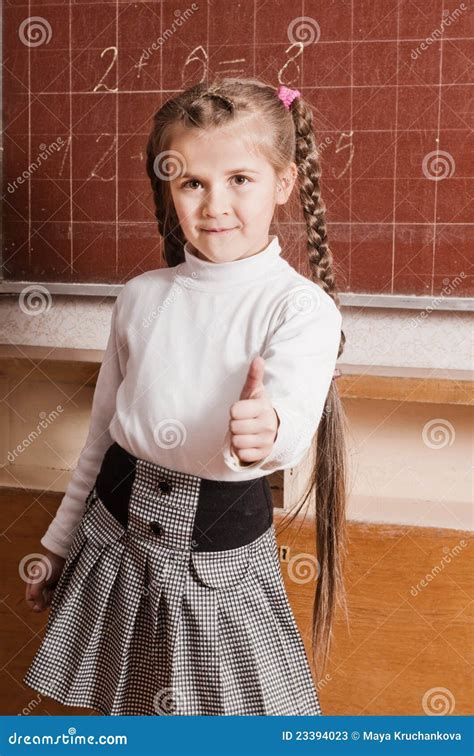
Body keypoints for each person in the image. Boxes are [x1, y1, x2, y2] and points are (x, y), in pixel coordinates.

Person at [23, 77, 348, 716]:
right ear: (169, 188)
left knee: (220, 728)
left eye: (240, 179)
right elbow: (101, 436)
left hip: (216, 571)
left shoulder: (300, 308)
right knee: (126, 715)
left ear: (284, 183)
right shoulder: (141, 296)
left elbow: (291, 416)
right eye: (191, 182)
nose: (214, 203)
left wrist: (268, 430)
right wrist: (60, 542)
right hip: (113, 546)